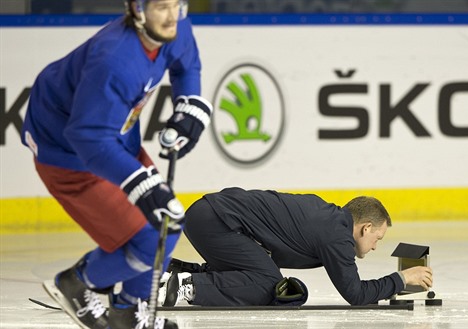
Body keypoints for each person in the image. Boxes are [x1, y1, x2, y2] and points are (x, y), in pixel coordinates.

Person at [21, 1, 213, 328]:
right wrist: (140, 182)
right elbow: (88, 138)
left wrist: (189, 105)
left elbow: (186, 66)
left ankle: (128, 312)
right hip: (67, 152)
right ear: (137, 10)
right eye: (161, 7)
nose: (172, 16)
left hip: (113, 133)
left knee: (165, 224)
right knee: (151, 235)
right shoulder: (115, 61)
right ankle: (76, 283)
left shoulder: (175, 28)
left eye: (178, 4)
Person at [159, 187, 433, 307]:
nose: (375, 247)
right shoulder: (337, 236)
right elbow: (356, 294)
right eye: (378, 239)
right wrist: (402, 279)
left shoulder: (328, 217)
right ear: (365, 228)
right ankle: (188, 284)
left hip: (210, 214)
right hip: (218, 221)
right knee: (269, 284)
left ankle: (179, 273)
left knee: (265, 271)